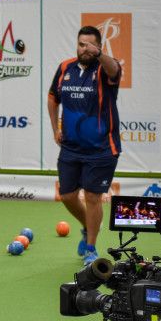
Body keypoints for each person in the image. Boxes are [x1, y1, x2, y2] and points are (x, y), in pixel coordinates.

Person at [48, 25, 122, 267]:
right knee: (68, 196)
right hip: (70, 147)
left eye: (89, 46)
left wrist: (99, 54)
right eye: (81, 44)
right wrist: (55, 129)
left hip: (101, 149)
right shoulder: (65, 68)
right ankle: (87, 226)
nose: (85, 49)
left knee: (92, 196)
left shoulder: (105, 69)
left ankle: (91, 248)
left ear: (98, 47)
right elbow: (52, 98)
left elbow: (116, 69)